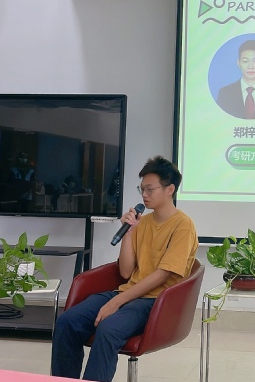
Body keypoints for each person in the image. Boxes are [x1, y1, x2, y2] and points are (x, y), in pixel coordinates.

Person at [51, 156, 199, 382]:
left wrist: (117, 302)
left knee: (108, 329)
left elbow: (163, 274)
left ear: (170, 189)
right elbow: (126, 272)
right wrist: (128, 233)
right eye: (142, 189)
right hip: (127, 292)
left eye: (150, 189)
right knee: (66, 322)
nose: (144, 195)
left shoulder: (183, 225)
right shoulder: (143, 223)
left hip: (155, 302)